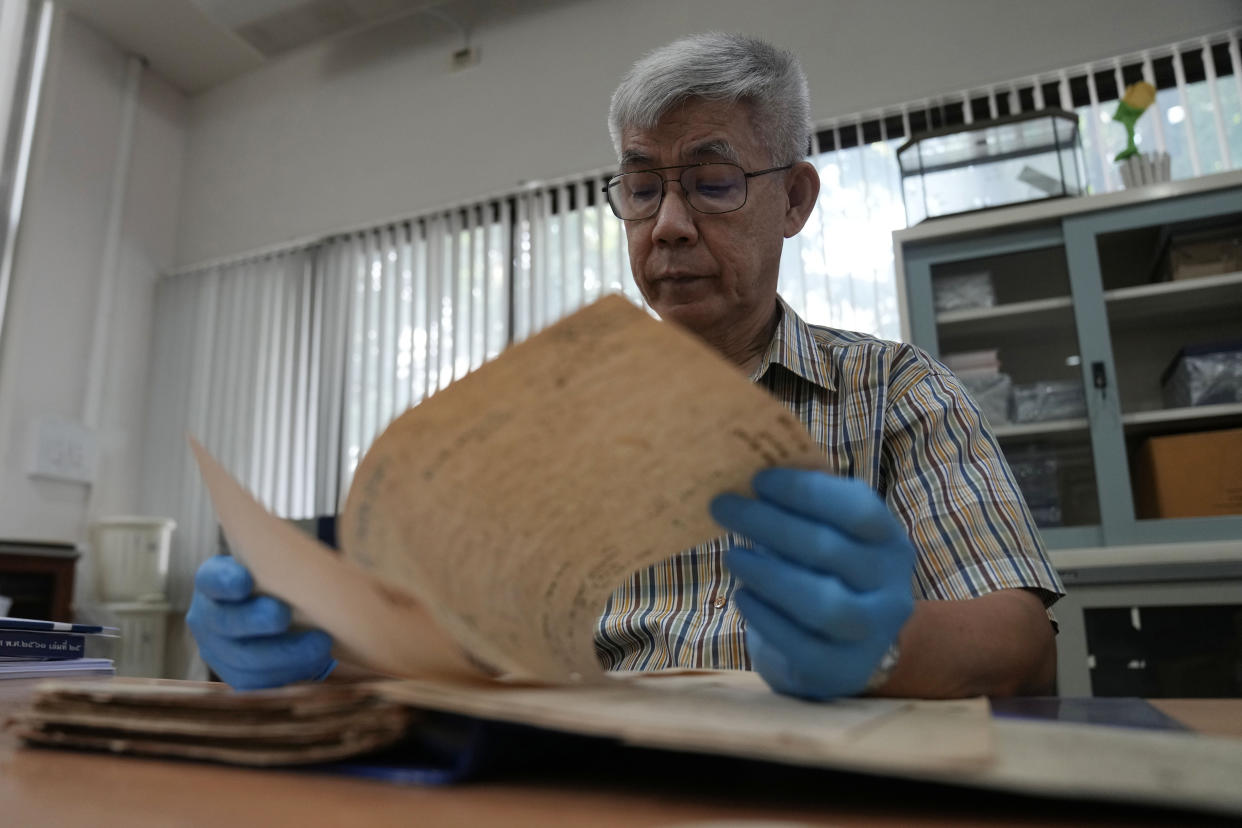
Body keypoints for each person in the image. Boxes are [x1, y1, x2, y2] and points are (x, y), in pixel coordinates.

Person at [189, 33, 1064, 699]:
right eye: (642, 187)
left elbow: (1021, 639)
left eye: (712, 182)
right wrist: (313, 650)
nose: (668, 225)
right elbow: (463, 659)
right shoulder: (532, 427)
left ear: (794, 199)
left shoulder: (897, 392)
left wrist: (879, 649)